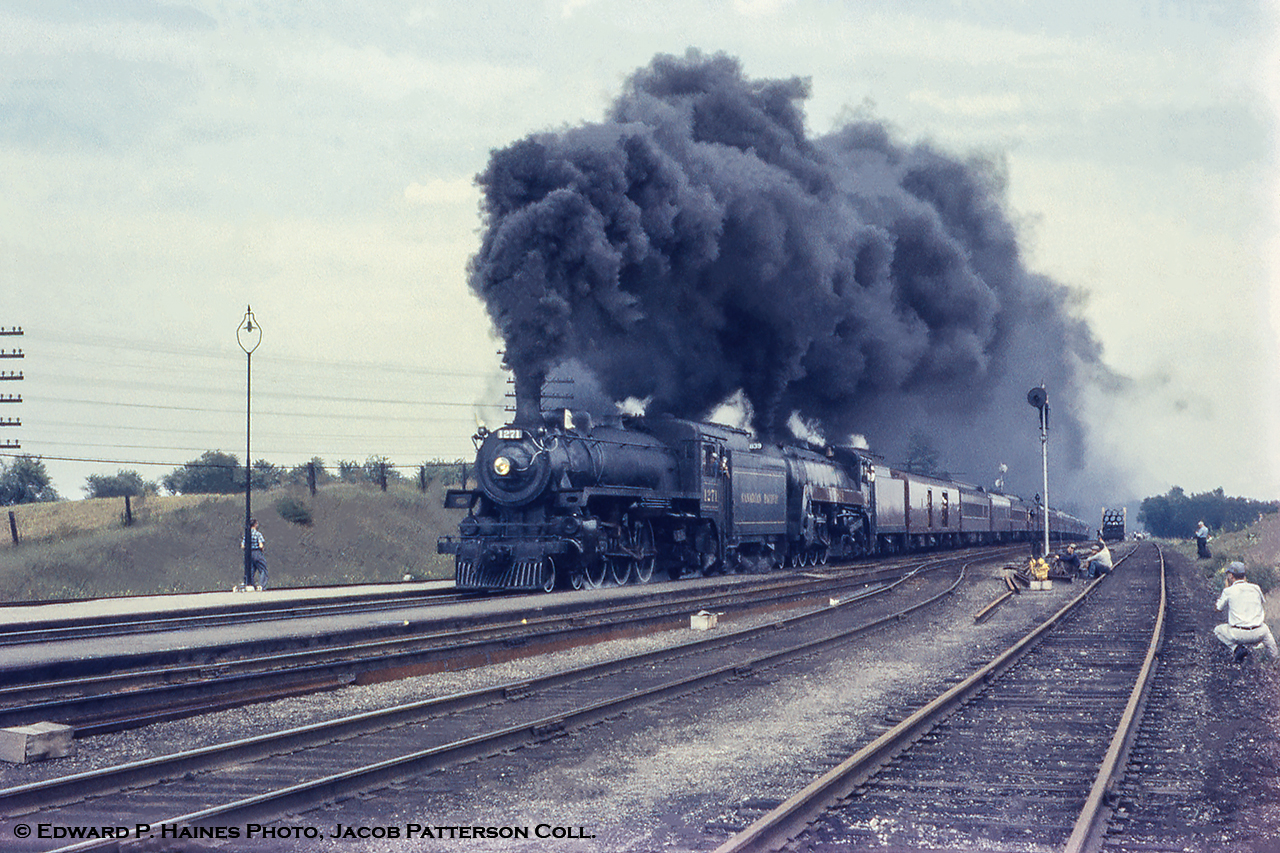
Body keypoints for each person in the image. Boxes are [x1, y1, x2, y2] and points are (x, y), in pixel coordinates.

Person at [1214, 563, 1278, 663]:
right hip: (1258, 632)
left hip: (1238, 634)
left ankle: (1237, 648)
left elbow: (1217, 609)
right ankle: (1275, 659)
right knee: (1266, 630)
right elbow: (1262, 602)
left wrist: (1225, 589)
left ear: (1231, 576)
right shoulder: (1256, 588)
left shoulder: (1228, 591)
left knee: (1217, 630)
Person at [243, 518, 268, 590]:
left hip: (248, 553)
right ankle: (262, 585)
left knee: (250, 570)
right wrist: (262, 549)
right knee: (263, 569)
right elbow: (260, 545)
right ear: (255, 524)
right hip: (257, 552)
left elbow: (243, 545)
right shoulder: (257, 534)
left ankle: (250, 585)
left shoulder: (246, 534)